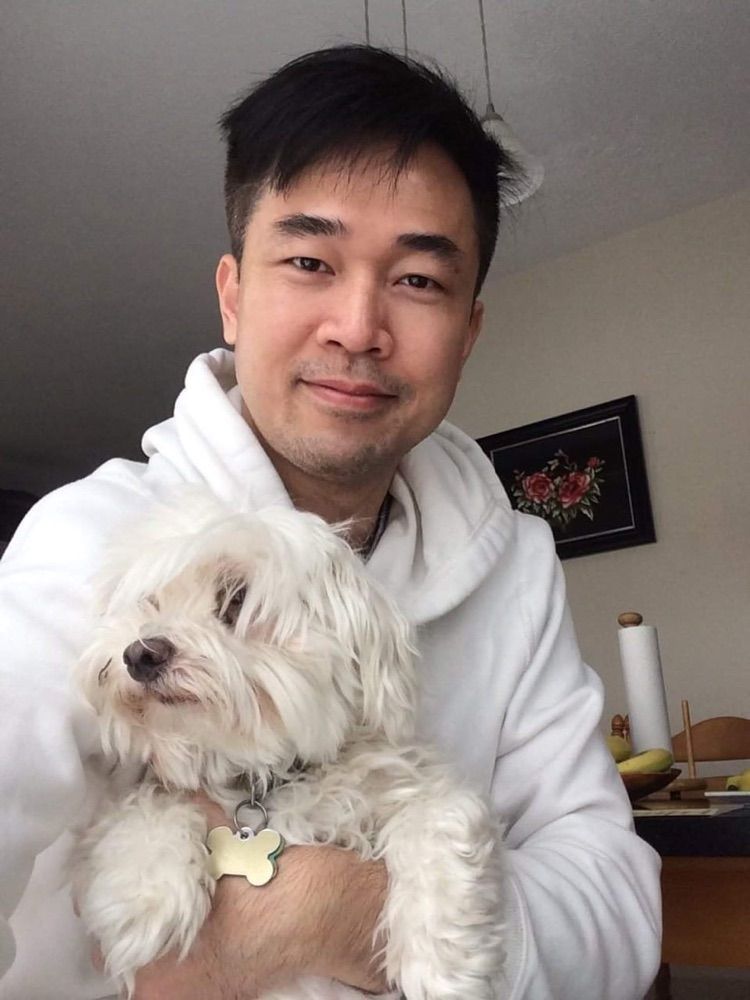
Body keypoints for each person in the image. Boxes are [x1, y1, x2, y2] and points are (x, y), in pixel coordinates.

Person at [0, 45, 661, 1000]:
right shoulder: (88, 535)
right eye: (310, 261)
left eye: (418, 280)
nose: (357, 326)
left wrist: (345, 914)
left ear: (468, 333)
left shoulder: (514, 561)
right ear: (234, 295)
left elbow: (617, 902)